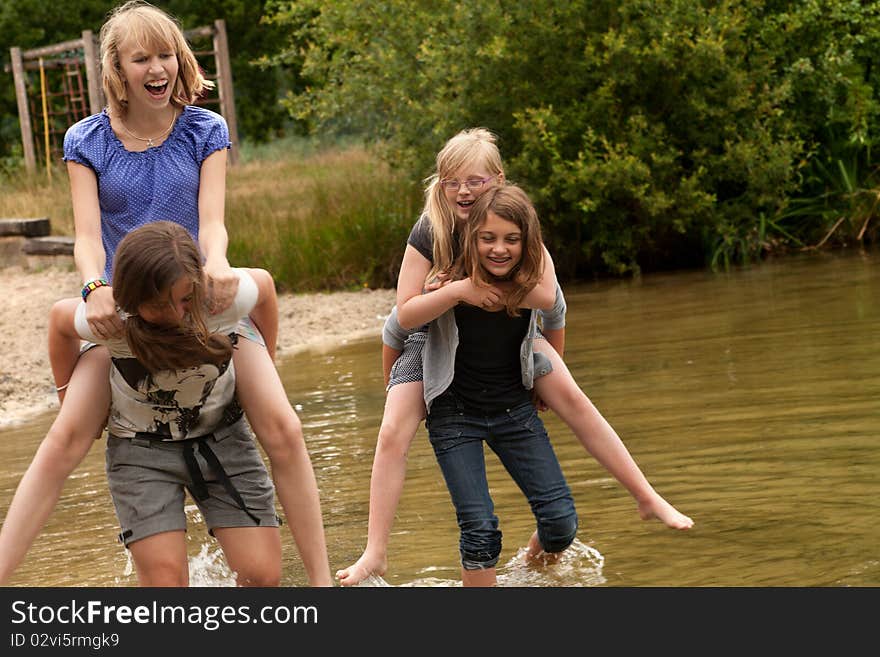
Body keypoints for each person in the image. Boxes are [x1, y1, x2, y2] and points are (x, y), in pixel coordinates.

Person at [30, 0, 330, 586]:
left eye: (165, 53)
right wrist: (94, 287)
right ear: (117, 68)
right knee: (160, 574)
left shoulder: (204, 129)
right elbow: (88, 238)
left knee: (286, 432)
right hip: (129, 312)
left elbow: (212, 222)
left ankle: (321, 587)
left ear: (180, 59)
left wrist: (216, 262)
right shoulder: (85, 140)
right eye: (141, 57)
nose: (157, 66)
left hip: (200, 300)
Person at [337, 129, 692, 586]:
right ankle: (376, 551)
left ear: (498, 181)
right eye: (452, 181)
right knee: (391, 431)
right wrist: (457, 295)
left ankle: (644, 496)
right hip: (432, 343)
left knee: (575, 400)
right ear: (440, 185)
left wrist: (542, 368)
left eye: (475, 181)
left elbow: (553, 304)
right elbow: (400, 319)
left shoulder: (516, 223)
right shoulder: (432, 229)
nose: (463, 191)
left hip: (517, 343)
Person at [1, 222, 293, 586]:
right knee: (165, 583)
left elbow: (264, 289)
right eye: (160, 306)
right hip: (141, 445)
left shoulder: (214, 302)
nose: (175, 314)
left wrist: (266, 355)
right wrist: (66, 392)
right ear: (133, 302)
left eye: (182, 301)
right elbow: (60, 321)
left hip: (220, 437)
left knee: (261, 577)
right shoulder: (114, 322)